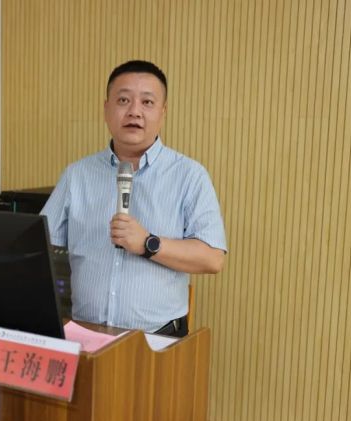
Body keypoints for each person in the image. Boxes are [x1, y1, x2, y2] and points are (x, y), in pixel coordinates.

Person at [41, 60, 227, 336]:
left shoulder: (189, 175)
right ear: (106, 109)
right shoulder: (77, 175)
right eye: (123, 100)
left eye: (147, 102)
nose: (134, 112)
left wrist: (148, 243)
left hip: (158, 338)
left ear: (163, 113)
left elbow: (212, 258)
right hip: (86, 335)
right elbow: (39, 247)